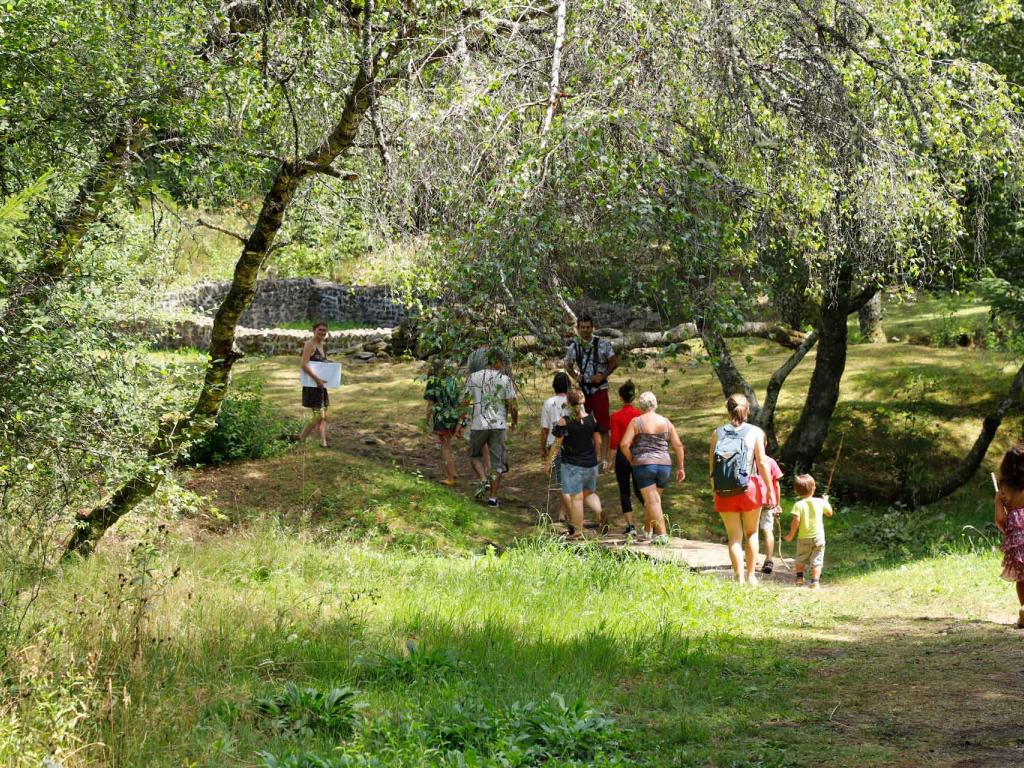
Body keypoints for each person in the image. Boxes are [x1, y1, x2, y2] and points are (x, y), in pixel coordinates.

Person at [709, 393, 776, 585]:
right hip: (750, 489)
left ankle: (738, 578)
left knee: (734, 537)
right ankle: (751, 576)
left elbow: (712, 466)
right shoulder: (755, 432)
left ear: (728, 410)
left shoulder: (717, 433)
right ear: (747, 410)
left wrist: (715, 490)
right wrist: (770, 489)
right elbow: (762, 463)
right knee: (752, 533)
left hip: (724, 491)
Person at [619, 391, 685, 543]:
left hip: (644, 465)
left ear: (640, 406)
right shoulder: (666, 422)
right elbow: (678, 445)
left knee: (653, 501)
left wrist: (631, 459)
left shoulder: (636, 421)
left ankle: (662, 535)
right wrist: (680, 467)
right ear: (655, 405)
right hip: (664, 466)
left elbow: (624, 444)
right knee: (653, 500)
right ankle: (648, 530)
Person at [545, 388, 604, 540]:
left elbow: (556, 445)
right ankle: (599, 512)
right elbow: (599, 441)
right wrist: (595, 457)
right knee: (589, 493)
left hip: (573, 465)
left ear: (568, 403)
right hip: (591, 464)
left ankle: (578, 532)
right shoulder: (592, 419)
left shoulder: (564, 421)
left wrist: (548, 463)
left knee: (576, 498)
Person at [463, 348, 518, 507]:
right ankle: (493, 498)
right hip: (498, 424)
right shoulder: (505, 379)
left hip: (478, 423)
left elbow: (465, 402)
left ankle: (482, 479)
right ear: (496, 362)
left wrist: (461, 421)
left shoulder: (473, 377)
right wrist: (514, 422)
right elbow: (513, 405)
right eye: (502, 362)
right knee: (497, 463)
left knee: (474, 455)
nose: (503, 365)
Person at [564, 314, 618, 438]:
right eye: (582, 327)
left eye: (588, 327)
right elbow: (568, 364)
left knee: (604, 426)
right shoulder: (574, 346)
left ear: (593, 328)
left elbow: (614, 363)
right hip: (583, 392)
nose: (585, 330)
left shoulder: (603, 344)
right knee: (582, 423)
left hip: (600, 389)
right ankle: (588, 452)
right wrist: (575, 375)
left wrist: (603, 376)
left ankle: (604, 457)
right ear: (578, 329)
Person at [606, 380, 644, 535]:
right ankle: (654, 520)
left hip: (622, 455)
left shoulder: (615, 416)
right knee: (640, 489)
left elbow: (615, 441)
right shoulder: (640, 415)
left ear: (621, 398)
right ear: (633, 397)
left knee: (624, 490)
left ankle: (630, 526)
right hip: (638, 453)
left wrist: (610, 461)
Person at [784, 473, 833, 588]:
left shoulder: (798, 505)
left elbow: (796, 521)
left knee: (800, 558)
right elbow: (829, 513)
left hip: (803, 538)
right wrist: (826, 501)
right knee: (817, 560)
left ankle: (800, 579)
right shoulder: (820, 502)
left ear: (796, 491)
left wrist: (790, 535)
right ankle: (815, 582)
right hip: (819, 538)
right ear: (814, 488)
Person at [994, 443, 1024, 628]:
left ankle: (1023, 609)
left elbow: (999, 520)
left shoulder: (1003, 490)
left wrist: (1011, 534)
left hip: (1016, 542)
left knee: (1021, 578)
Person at [540, 371, 571, 524]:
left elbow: (544, 429)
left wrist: (542, 448)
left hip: (555, 444)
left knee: (561, 482)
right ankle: (562, 512)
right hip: (572, 444)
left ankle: (568, 512)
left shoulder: (548, 403)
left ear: (554, 386)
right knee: (566, 481)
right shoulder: (573, 401)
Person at [424, 362, 461, 486]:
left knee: (444, 447)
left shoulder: (433, 382)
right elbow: (458, 400)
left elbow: (430, 404)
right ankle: (453, 472)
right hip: (454, 415)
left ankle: (450, 478)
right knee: (448, 445)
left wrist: (426, 420)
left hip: (442, 417)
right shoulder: (453, 380)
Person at [298, 321, 331, 447]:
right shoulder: (309, 344)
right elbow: (304, 365)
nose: (322, 332)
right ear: (314, 331)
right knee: (318, 415)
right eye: (320, 330)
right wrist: (317, 380)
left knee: (324, 415)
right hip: (313, 384)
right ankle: (301, 438)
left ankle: (323, 442)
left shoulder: (322, 345)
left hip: (321, 384)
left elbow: (320, 364)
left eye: (324, 330)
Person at [759, 455, 785, 574]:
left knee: (749, 530)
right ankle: (769, 560)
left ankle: (750, 557)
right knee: (768, 530)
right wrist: (777, 504)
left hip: (751, 500)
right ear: (765, 444)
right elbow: (776, 485)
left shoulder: (748, 458)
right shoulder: (770, 461)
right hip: (768, 501)